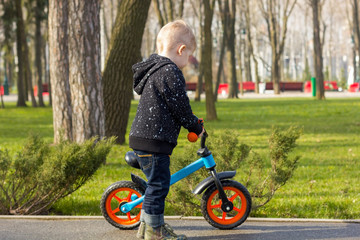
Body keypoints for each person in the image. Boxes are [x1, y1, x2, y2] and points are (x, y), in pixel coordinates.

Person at [129, 20, 204, 240]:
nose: (187, 62)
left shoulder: (154, 70)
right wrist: (194, 126)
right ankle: (155, 232)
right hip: (154, 141)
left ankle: (147, 228)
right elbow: (180, 106)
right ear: (181, 49)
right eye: (189, 56)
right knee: (158, 186)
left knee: (154, 186)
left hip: (143, 138)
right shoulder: (170, 71)